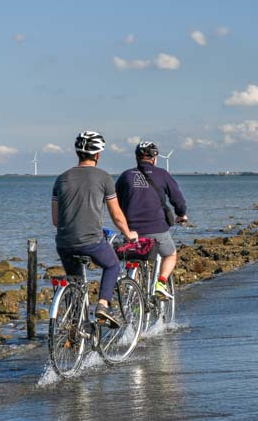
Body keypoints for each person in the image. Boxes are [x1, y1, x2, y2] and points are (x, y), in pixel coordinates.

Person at [52, 131, 137, 324]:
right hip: (91, 241)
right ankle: (103, 305)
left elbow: (56, 220)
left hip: (64, 243)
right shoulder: (104, 178)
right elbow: (117, 215)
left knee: (75, 281)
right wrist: (129, 234)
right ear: (98, 155)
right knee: (112, 264)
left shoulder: (61, 179)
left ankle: (74, 329)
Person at [115, 141, 188, 300]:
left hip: (131, 231)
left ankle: (133, 297)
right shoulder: (163, 174)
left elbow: (115, 203)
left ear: (136, 157)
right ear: (155, 157)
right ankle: (161, 283)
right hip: (157, 229)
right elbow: (178, 200)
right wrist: (181, 214)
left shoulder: (125, 176)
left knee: (135, 259)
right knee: (170, 255)